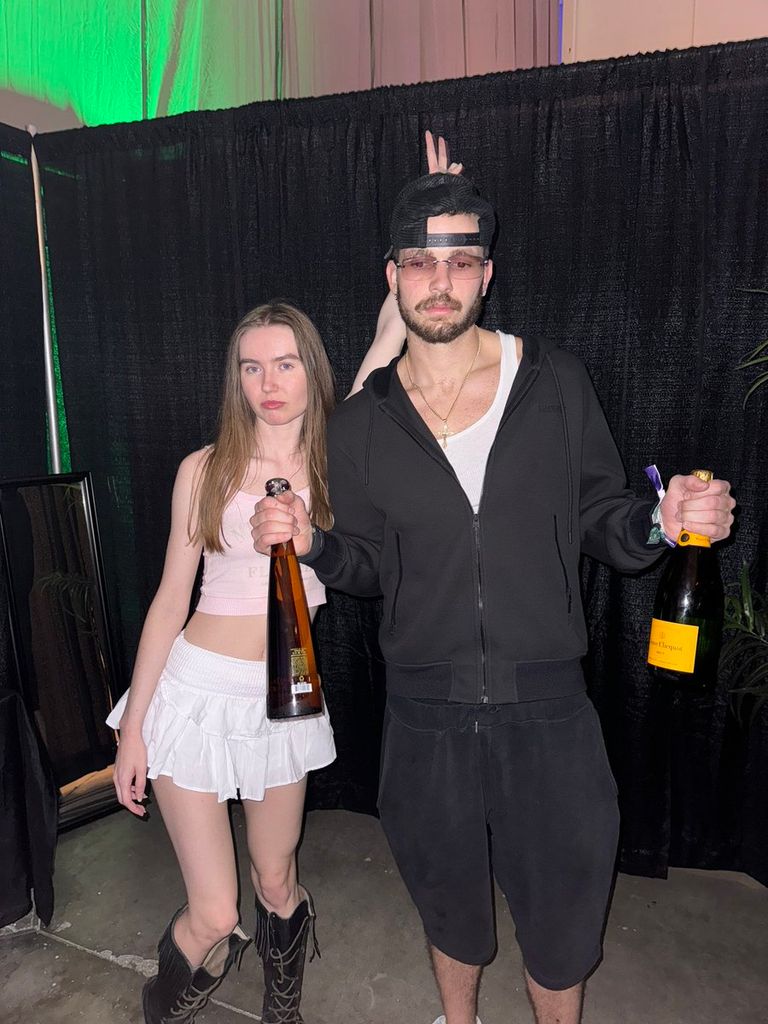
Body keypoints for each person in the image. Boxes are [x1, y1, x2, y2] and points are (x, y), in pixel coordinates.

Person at [250, 163, 736, 1024]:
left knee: (562, 919)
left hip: (548, 711)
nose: (440, 281)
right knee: (448, 906)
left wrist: (661, 523)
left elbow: (604, 519)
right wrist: (313, 543)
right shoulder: (360, 423)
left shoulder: (555, 382)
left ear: (486, 273)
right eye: (420, 261)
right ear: (393, 275)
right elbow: (368, 566)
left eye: (460, 261)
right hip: (424, 716)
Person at [108, 134, 457, 1024]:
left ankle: (284, 987)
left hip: (286, 693)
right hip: (193, 691)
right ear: (237, 379)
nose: (270, 382)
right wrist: (134, 726)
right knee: (214, 910)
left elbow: (392, 329)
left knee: (275, 879)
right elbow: (167, 602)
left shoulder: (336, 451)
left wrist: (426, 222)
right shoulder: (203, 470)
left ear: (312, 370)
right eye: (252, 366)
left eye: (286, 363)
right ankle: (163, 998)